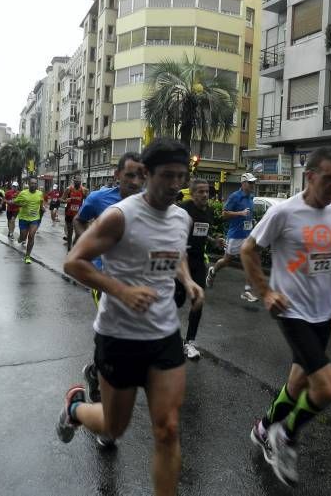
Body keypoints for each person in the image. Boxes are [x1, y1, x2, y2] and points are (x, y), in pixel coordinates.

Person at [57, 138, 203, 496]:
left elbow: (176, 253)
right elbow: (73, 261)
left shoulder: (182, 216)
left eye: (181, 177)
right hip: (119, 336)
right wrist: (121, 290)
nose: (174, 185)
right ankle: (76, 408)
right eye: (167, 176)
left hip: (165, 335)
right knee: (113, 427)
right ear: (147, 174)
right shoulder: (120, 216)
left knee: (167, 429)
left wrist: (187, 279)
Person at [241, 147, 331, 486]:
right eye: (328, 178)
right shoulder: (285, 212)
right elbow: (248, 250)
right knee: (326, 388)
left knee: (298, 382)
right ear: (310, 176)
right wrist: (266, 292)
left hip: (322, 311)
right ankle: (284, 436)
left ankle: (261, 428)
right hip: (292, 310)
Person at [73, 152, 145, 402]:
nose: (136, 182)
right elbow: (78, 221)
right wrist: (89, 245)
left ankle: (95, 370)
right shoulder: (98, 198)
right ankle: (105, 388)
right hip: (101, 275)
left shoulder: (147, 203)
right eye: (130, 175)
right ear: (117, 175)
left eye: (141, 176)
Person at [175, 178, 224, 360]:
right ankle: (167, 336)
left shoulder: (209, 211)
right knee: (176, 301)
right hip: (181, 260)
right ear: (193, 193)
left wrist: (213, 241)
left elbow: (203, 230)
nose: (205, 195)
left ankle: (190, 342)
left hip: (197, 261)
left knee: (198, 301)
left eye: (207, 192)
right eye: (201, 192)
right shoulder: (184, 209)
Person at [207, 172, 258, 302]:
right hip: (235, 235)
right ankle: (213, 271)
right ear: (243, 183)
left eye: (253, 182)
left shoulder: (251, 197)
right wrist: (240, 213)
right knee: (226, 261)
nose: (252, 185)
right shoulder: (235, 196)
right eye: (250, 182)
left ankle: (247, 291)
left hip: (247, 235)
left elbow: (249, 215)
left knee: (250, 262)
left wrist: (253, 222)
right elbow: (224, 214)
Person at [14, 177, 46, 264]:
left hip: (35, 219)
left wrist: (43, 208)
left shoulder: (40, 193)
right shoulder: (23, 193)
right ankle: (20, 238)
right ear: (29, 184)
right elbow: (15, 202)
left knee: (31, 236)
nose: (34, 185)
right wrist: (22, 204)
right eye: (32, 183)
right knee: (23, 237)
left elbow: (41, 202)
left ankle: (27, 256)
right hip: (24, 218)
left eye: (35, 183)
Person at [62, 178, 88, 250]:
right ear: (74, 182)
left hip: (78, 214)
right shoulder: (68, 189)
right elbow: (61, 199)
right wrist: (65, 200)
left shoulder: (84, 190)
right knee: (70, 232)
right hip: (69, 213)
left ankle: (74, 246)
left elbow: (87, 200)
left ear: (80, 182)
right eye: (76, 181)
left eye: (78, 181)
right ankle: (69, 249)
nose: (77, 182)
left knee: (78, 233)